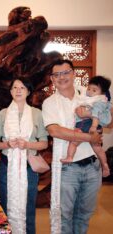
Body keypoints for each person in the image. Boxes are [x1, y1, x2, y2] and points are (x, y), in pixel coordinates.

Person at [42, 59, 103, 234]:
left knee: (85, 214)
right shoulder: (50, 103)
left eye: (66, 72)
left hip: (93, 165)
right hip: (67, 168)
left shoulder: (88, 95)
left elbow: (108, 118)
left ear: (74, 73)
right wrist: (89, 137)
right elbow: (55, 131)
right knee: (65, 215)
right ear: (52, 79)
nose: (62, 77)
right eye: (56, 74)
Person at [0, 77, 48, 234]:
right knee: (6, 204)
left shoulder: (37, 114)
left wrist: (27, 145)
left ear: (28, 92)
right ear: (10, 91)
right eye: (15, 87)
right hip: (7, 166)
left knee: (28, 207)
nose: (18, 90)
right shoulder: (3, 114)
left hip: (29, 167)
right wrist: (7, 144)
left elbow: (44, 143)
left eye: (22, 88)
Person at [60, 76, 111, 177]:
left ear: (102, 92)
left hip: (91, 125)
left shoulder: (100, 101)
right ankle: (70, 157)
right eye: (89, 88)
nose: (90, 91)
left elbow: (96, 114)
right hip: (81, 124)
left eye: (94, 90)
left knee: (97, 147)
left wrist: (93, 126)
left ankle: (104, 164)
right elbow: (77, 88)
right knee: (74, 141)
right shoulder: (85, 97)